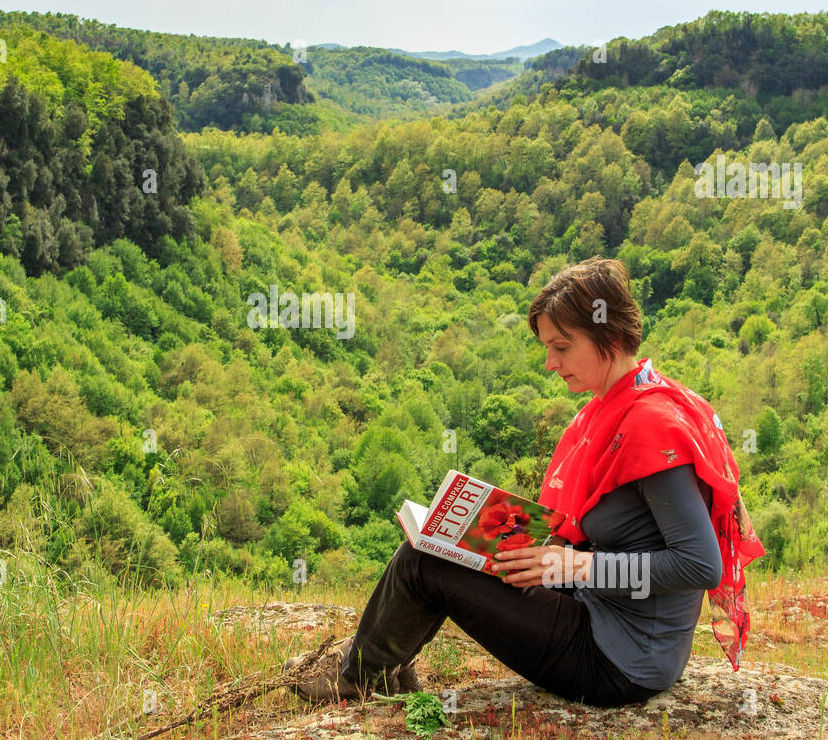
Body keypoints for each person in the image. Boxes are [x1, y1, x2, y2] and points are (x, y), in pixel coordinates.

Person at [284, 256, 765, 707]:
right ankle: (384, 667)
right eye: (548, 349)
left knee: (421, 561)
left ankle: (357, 679)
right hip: (601, 617)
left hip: (620, 660)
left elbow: (700, 567)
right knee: (441, 547)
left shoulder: (649, 425)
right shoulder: (615, 409)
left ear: (611, 340)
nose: (551, 363)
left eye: (562, 347)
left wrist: (572, 568)